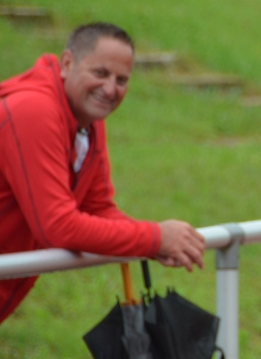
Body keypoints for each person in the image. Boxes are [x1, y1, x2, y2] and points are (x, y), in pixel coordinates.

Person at [0, 22, 206, 325]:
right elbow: (57, 226)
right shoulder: (33, 110)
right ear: (67, 64)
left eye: (122, 80)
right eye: (100, 73)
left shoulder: (88, 121)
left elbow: (97, 207)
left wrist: (159, 241)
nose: (110, 89)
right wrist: (154, 238)